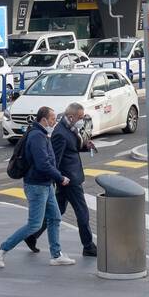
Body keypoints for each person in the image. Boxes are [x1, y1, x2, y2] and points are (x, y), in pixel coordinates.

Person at [0, 106, 76, 268]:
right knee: (34, 224)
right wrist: (60, 178)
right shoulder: (37, 137)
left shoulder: (41, 134)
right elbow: (42, 164)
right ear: (44, 120)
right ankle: (2, 248)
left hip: (45, 185)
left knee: (55, 218)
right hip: (37, 186)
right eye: (52, 119)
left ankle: (56, 255)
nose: (54, 121)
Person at [26, 104, 97, 256]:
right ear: (71, 117)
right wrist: (58, 179)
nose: (82, 120)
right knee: (82, 212)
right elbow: (54, 160)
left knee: (58, 210)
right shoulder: (60, 133)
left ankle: (32, 236)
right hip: (69, 180)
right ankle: (88, 246)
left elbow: (71, 148)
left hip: (69, 178)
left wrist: (85, 146)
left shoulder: (69, 129)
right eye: (80, 117)